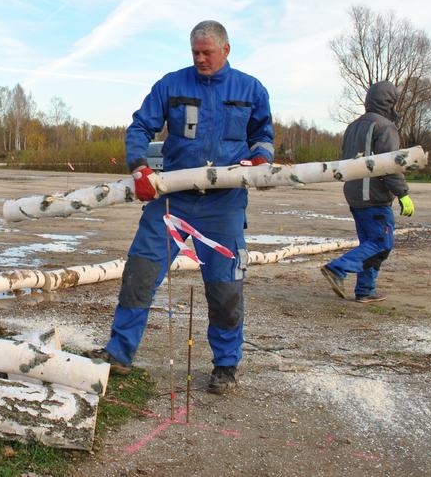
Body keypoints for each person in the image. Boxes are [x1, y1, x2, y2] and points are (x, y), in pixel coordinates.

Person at [89, 20, 275, 395]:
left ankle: (225, 366)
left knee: (225, 289)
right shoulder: (172, 85)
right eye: (195, 52)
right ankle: (119, 354)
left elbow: (263, 135)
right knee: (140, 273)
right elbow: (140, 127)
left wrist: (260, 159)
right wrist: (139, 167)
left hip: (224, 206)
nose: (201, 59)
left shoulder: (250, 89)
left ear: (226, 50)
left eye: (207, 52)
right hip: (172, 200)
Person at [320, 80, 414, 303]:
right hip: (373, 196)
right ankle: (337, 269)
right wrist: (403, 193)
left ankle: (366, 290)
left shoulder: (353, 126)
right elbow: (389, 164)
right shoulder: (385, 127)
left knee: (369, 244)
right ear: (390, 102)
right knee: (382, 243)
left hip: (354, 193)